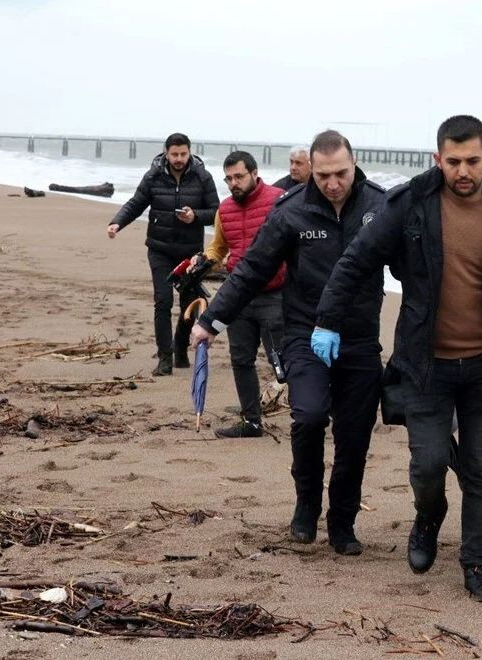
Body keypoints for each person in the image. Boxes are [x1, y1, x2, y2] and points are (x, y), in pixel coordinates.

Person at [311, 115, 482, 604]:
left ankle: (476, 562)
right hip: (426, 364)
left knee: (480, 470)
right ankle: (428, 517)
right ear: (437, 158)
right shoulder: (410, 205)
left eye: (473, 161)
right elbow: (357, 259)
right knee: (427, 465)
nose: (463, 170)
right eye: (453, 161)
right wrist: (327, 319)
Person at [190, 131, 386, 556]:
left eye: (341, 174)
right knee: (311, 416)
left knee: (354, 435)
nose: (333, 183)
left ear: (354, 165)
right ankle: (306, 505)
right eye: (323, 175)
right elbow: (252, 269)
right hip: (304, 334)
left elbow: (415, 269)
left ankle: (342, 521)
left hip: (360, 338)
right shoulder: (291, 210)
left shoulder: (378, 205)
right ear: (310, 170)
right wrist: (210, 320)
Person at [107, 133, 219, 376]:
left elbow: (216, 211)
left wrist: (195, 216)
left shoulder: (202, 176)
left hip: (190, 253)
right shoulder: (153, 175)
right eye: (174, 154)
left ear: (190, 152)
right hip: (159, 249)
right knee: (163, 301)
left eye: (183, 154)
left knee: (190, 304)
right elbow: (136, 203)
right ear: (166, 153)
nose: (179, 159)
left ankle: (180, 347)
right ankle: (165, 357)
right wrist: (117, 223)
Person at [192, 150, 285, 438]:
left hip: (275, 294)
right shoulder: (225, 210)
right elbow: (219, 248)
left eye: (239, 176)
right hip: (238, 296)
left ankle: (315, 414)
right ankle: (251, 422)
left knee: (283, 362)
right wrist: (203, 259)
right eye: (229, 178)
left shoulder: (280, 200)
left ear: (255, 173)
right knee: (241, 359)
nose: (234, 183)